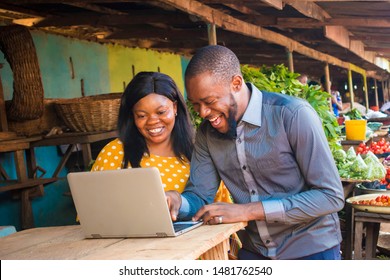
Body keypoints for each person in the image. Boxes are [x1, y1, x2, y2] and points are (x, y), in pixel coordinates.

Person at [166, 45, 345, 260]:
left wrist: (248, 210)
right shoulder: (206, 135)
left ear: (236, 83)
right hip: (256, 251)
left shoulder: (293, 115)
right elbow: (200, 196)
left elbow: (331, 196)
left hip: (311, 249)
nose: (203, 112)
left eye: (210, 102)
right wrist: (178, 202)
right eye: (196, 105)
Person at [91, 71, 240, 258]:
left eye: (161, 112)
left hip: (201, 256)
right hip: (134, 258)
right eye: (142, 115)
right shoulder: (114, 154)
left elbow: (222, 213)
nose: (153, 121)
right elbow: (94, 218)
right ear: (132, 116)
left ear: (175, 107)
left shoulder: (199, 153)